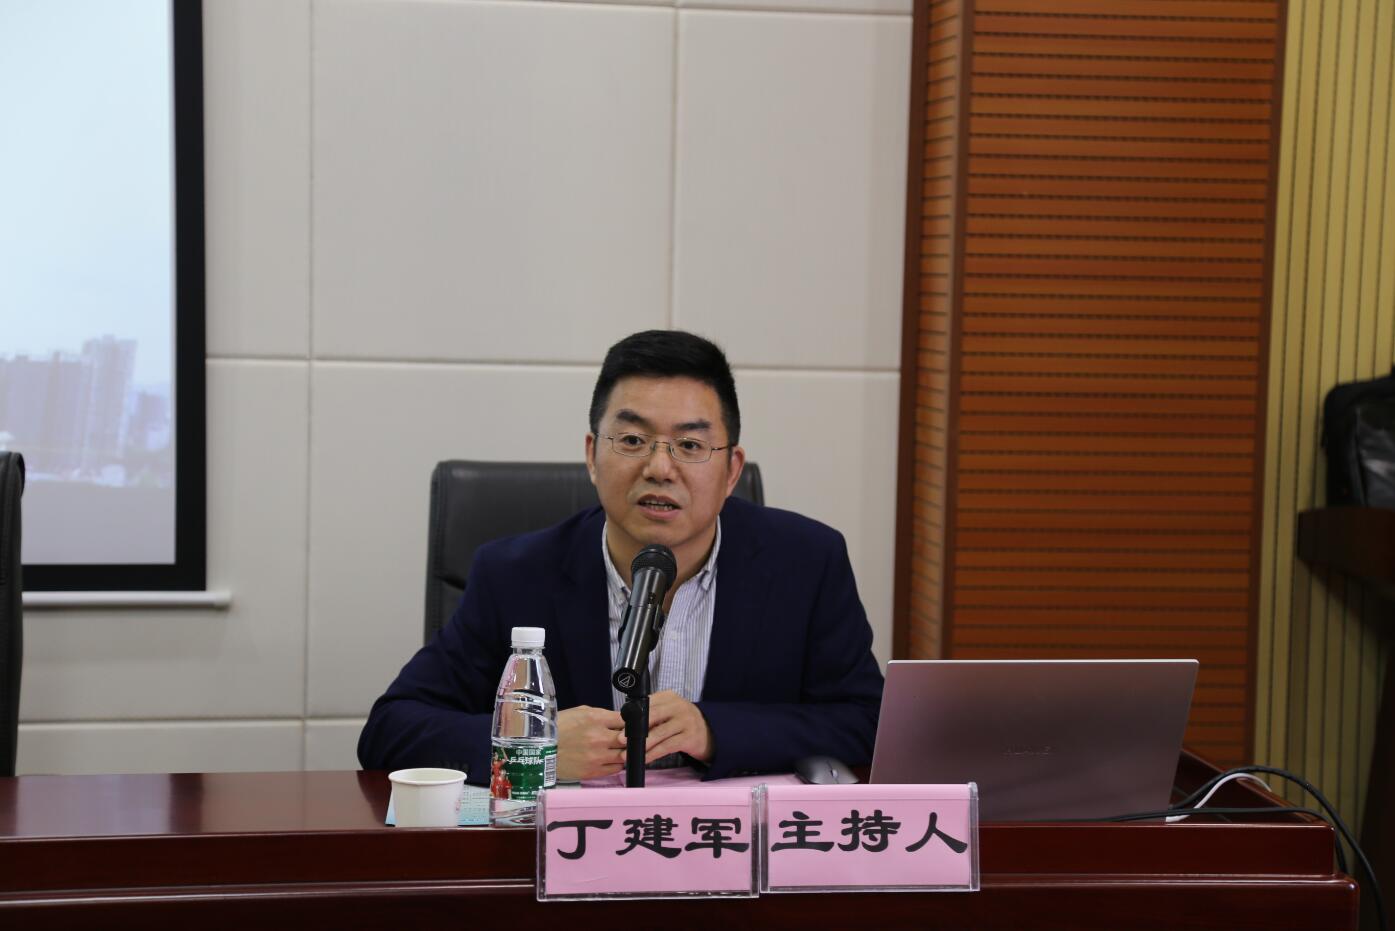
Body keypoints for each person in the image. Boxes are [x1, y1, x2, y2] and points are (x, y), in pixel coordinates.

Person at [358, 330, 883, 782]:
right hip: (570, 854)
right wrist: (535, 746)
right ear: (592, 455)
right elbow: (391, 731)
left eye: (690, 446)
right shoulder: (515, 574)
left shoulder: (806, 564)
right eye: (633, 439)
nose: (659, 468)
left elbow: (869, 722)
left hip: (733, 850)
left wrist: (715, 730)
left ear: (731, 471)